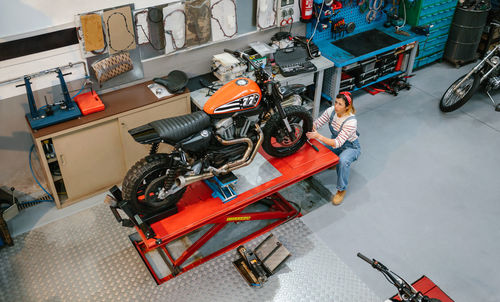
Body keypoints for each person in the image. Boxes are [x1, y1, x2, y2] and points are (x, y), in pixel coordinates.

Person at [306, 92, 360, 205]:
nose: (336, 106)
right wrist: (309, 125)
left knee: (343, 161)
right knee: (318, 151)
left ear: (347, 107)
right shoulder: (331, 111)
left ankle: (341, 189)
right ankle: (333, 163)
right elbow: (317, 123)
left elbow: (337, 143)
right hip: (335, 143)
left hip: (350, 147)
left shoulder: (351, 122)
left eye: (340, 104)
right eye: (336, 102)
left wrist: (318, 136)